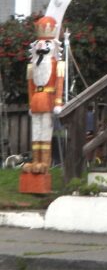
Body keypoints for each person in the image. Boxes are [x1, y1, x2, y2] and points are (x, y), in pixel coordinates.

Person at [23, 16, 63, 175]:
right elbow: (30, 86)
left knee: (45, 131)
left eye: (46, 43)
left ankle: (44, 162)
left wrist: (58, 102)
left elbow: (59, 83)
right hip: (36, 102)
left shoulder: (57, 64)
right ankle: (36, 160)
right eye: (40, 42)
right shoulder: (32, 66)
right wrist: (30, 104)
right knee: (36, 132)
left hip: (48, 100)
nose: (42, 46)